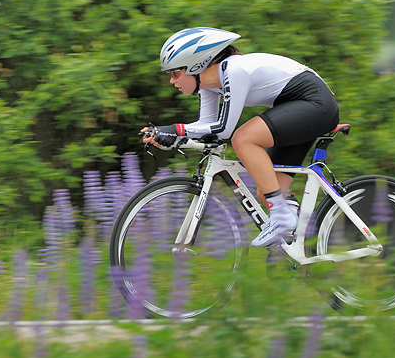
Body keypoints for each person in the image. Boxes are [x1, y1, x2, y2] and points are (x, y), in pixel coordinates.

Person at [142, 27, 339, 248]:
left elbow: (224, 130)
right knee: (267, 192)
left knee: (243, 138)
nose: (171, 81)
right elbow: (205, 126)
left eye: (174, 73)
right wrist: (176, 135)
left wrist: (176, 130)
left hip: (316, 105)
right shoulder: (208, 85)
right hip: (296, 110)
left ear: (196, 65)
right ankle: (304, 244)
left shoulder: (234, 70)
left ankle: (282, 216)